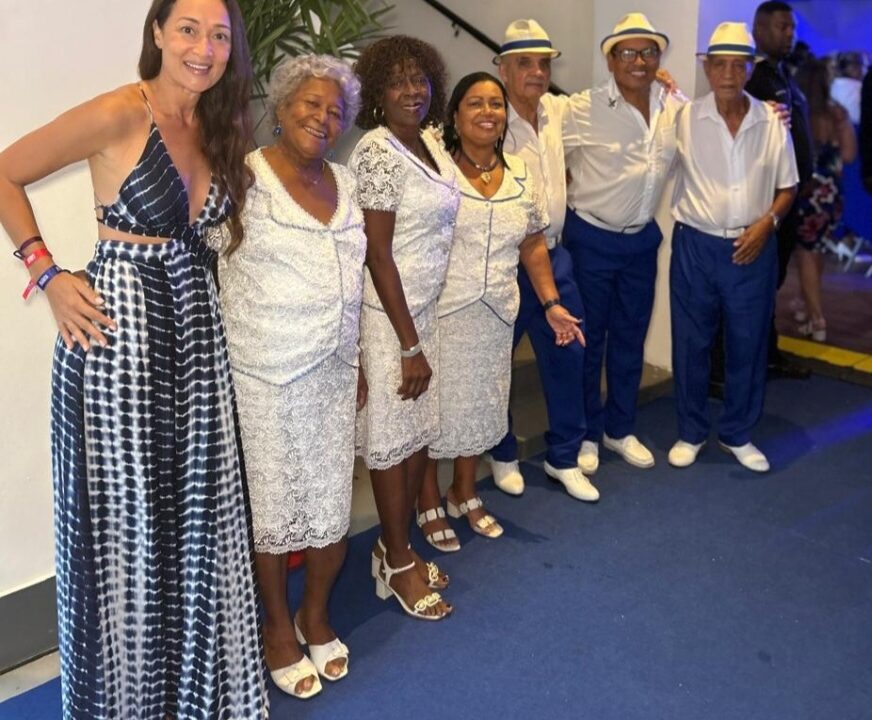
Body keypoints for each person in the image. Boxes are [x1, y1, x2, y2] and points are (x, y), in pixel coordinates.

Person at [0, 0, 268, 717]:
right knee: (128, 537)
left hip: (196, 348)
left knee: (195, 524)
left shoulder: (220, 123)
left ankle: (190, 698)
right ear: (157, 33)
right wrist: (48, 276)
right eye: (188, 29)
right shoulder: (122, 112)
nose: (203, 49)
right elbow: (4, 172)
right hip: (117, 351)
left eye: (219, 36)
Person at [217, 54, 364, 699]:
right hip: (266, 376)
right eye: (311, 104)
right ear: (280, 107)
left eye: (335, 111)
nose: (323, 118)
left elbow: (356, 277)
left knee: (330, 507)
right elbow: (205, 262)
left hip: (333, 372)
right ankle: (276, 628)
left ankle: (315, 614)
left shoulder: (347, 182)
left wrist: (359, 359)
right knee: (274, 513)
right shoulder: (241, 178)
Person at [416, 72, 585, 549]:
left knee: (480, 407)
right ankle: (427, 501)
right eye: (475, 103)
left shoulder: (520, 172)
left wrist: (551, 303)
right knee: (433, 410)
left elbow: (533, 243)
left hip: (495, 314)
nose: (488, 112)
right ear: (455, 115)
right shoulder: (435, 170)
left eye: (495, 104)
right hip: (442, 312)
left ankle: (463, 491)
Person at [350, 35, 458, 620]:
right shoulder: (377, 152)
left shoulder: (429, 142)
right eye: (398, 82)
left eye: (419, 79)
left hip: (423, 314)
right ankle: (395, 562)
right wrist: (408, 343)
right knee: (392, 445)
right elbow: (377, 254)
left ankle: (398, 547)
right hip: (391, 323)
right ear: (377, 92)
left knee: (417, 437)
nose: (412, 90)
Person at [668, 22, 798, 473]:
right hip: (696, 245)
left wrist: (768, 223)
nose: (728, 74)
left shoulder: (772, 121)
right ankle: (690, 431)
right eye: (719, 64)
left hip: (753, 246)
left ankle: (738, 433)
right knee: (691, 343)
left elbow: (788, 186)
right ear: (707, 69)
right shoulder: (683, 118)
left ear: (749, 69)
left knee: (748, 343)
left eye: (737, 65)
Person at [562, 13, 685, 475]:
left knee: (631, 339)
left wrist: (769, 112)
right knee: (589, 342)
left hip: (640, 243)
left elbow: (714, 120)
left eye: (648, 52)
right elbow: (540, 143)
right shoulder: (581, 108)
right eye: (628, 52)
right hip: (591, 239)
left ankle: (619, 428)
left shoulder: (674, 107)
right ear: (610, 60)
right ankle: (587, 433)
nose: (639, 60)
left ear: (659, 59)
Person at [483, 19, 599, 503]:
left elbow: (610, 101)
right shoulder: (489, 117)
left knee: (569, 354)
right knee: (497, 363)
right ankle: (502, 450)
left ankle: (564, 456)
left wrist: (662, 84)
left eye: (543, 64)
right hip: (503, 264)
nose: (536, 72)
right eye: (524, 63)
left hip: (553, 256)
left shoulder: (556, 109)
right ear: (503, 69)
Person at [792, 59, 857, 342]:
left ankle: (817, 318)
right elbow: (849, 155)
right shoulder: (837, 113)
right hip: (831, 194)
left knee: (805, 253)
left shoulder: (797, 112)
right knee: (816, 251)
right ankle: (808, 307)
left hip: (805, 191)